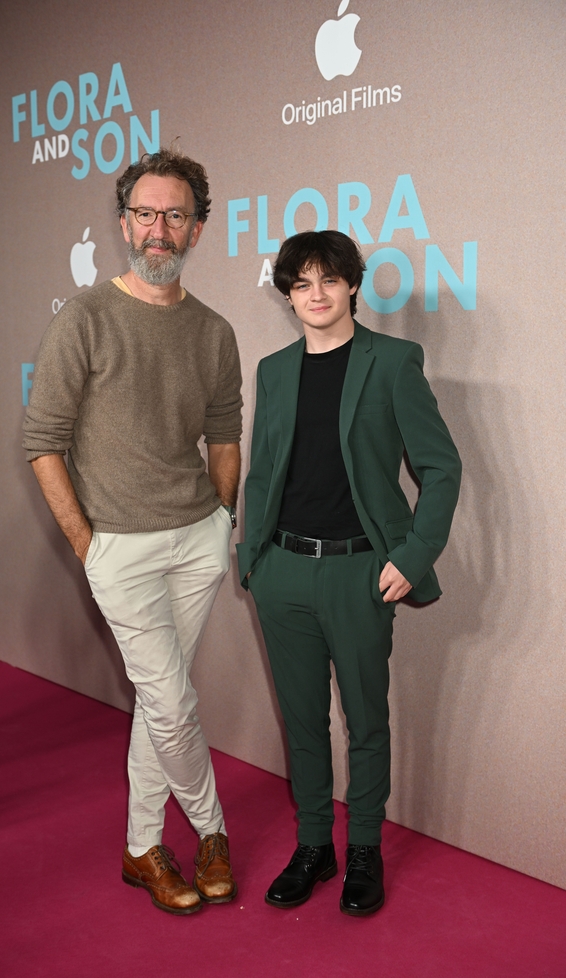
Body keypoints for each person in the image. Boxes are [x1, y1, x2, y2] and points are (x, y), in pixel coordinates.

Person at [23, 149, 242, 916]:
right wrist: (89, 545)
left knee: (163, 699)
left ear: (198, 230)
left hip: (197, 543)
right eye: (146, 214)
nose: (159, 229)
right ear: (124, 224)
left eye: (175, 215)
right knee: (174, 705)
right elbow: (42, 440)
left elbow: (224, 434)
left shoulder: (213, 331)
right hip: (119, 546)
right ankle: (213, 830)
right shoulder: (83, 318)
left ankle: (142, 845)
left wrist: (222, 518)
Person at [237, 230, 461, 916]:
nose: (316, 294)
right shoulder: (274, 371)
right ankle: (314, 846)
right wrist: (254, 558)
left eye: (329, 280)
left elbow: (441, 468)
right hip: (282, 573)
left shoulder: (392, 363)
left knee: (365, 720)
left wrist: (413, 554)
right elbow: (265, 471)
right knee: (302, 721)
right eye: (301, 284)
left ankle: (362, 846)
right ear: (287, 295)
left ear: (353, 285)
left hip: (360, 572)